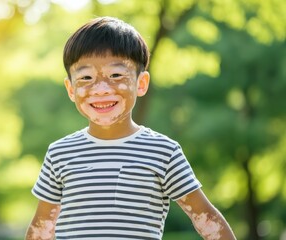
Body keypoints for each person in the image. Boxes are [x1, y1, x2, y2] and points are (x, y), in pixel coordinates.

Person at [25, 16, 236, 240]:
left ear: (141, 83)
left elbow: (205, 218)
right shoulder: (59, 153)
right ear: (70, 89)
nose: (101, 89)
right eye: (86, 78)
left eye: (116, 75)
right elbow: (41, 229)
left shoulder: (163, 151)